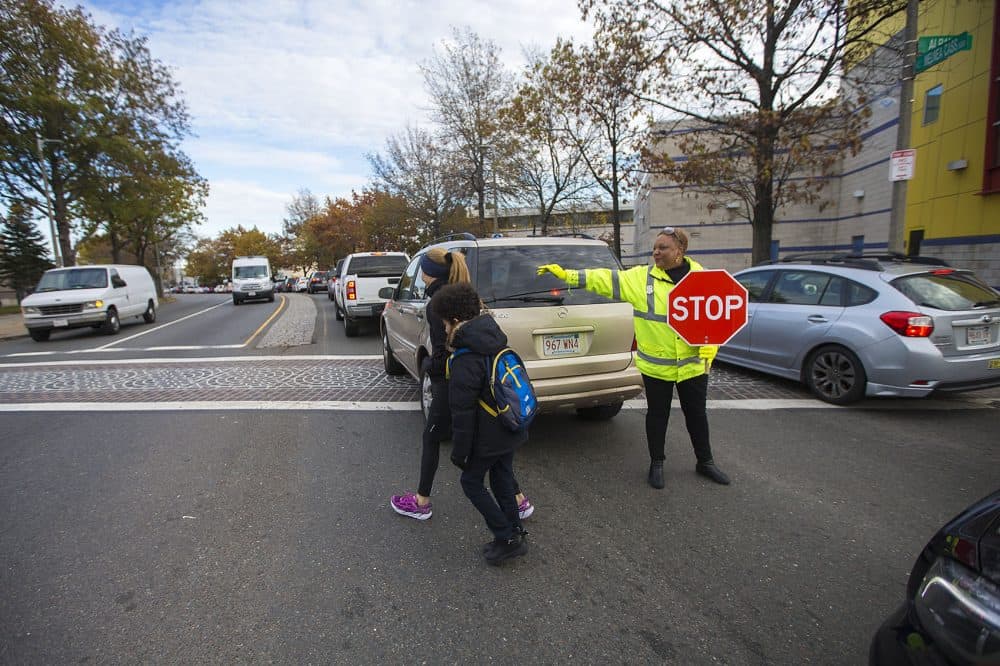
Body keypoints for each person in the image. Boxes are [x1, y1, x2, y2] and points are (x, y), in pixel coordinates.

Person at [537, 226, 731, 490]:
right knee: (657, 416)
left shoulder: (703, 278)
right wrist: (567, 275)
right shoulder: (640, 278)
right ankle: (657, 463)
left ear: (680, 251)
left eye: (663, 248)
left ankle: (705, 461)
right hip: (656, 367)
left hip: (693, 366)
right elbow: (602, 279)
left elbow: (719, 319)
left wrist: (712, 346)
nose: (656, 252)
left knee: (696, 414)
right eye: (655, 247)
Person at [390, 248, 534, 520]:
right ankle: (518, 500)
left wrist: (429, 368)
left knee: (432, 436)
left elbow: (443, 349)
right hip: (478, 379)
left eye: (421, 268)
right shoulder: (463, 294)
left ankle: (421, 502)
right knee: (493, 446)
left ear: (427, 273)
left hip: (452, 382)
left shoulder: (438, 304)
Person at [432, 281, 528, 564]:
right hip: (509, 425)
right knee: (502, 479)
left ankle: (506, 537)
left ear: (456, 319)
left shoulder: (464, 358)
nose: (445, 329)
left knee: (471, 482)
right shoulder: (493, 336)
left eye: (445, 323)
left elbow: (462, 413)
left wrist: (460, 452)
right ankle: (515, 531)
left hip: (488, 435)